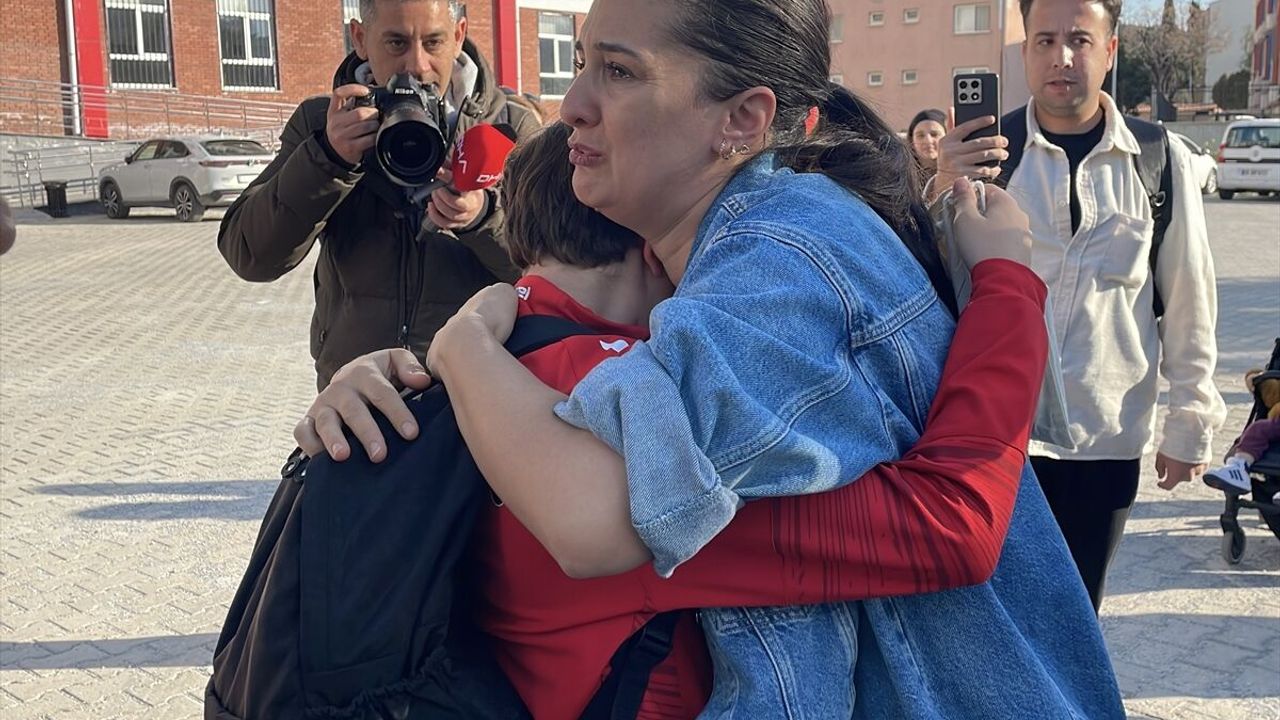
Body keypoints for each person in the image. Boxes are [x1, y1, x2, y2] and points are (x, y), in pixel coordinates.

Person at [299, 0, 1126, 717]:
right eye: (582, 63)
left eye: (619, 71)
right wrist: (416, 372)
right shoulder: (754, 248)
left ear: (743, 120)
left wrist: (461, 347)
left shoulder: (773, 262)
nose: (572, 104)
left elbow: (592, 523)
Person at [933, 0, 1226, 612]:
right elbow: (931, 279)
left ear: (1110, 49)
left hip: (1106, 435)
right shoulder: (992, 153)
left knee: (1078, 612)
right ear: (1024, 52)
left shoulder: (1157, 158)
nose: (1061, 57)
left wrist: (1190, 420)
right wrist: (938, 188)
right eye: (1044, 40)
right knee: (985, 613)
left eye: (1080, 40)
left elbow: (1189, 295)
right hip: (995, 432)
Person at [217, 0, 540, 390]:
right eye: (396, 43)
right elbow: (250, 256)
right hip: (356, 396)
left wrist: (482, 216)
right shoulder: (322, 124)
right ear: (360, 38)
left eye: (434, 42)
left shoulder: (507, 130)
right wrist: (328, 159)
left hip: (470, 397)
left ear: (459, 37)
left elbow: (555, 274)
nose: (416, 66)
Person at [907, 108, 946, 188]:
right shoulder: (903, 177)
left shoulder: (960, 173)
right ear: (912, 140)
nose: (928, 141)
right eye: (920, 135)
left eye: (934, 134)